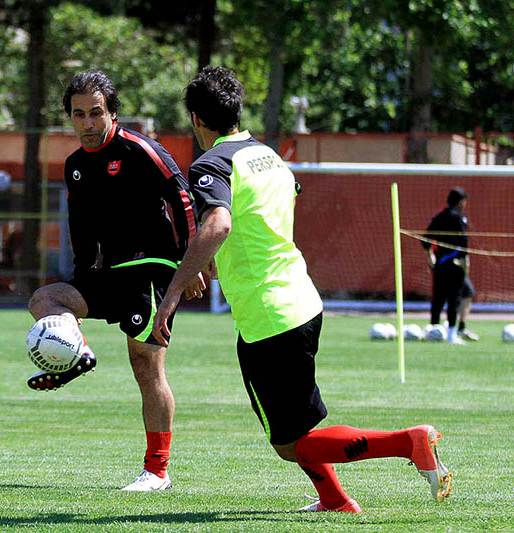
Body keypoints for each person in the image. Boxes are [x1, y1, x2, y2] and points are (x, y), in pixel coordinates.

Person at [152, 66, 453, 512]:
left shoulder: (212, 164)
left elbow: (219, 223)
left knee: (294, 445)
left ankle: (409, 442)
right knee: (297, 431)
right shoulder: (269, 157)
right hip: (301, 300)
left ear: (196, 118)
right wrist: (218, 258)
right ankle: (334, 500)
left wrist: (174, 291)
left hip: (268, 315)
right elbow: (268, 210)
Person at [26, 70, 202, 491]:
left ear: (112, 112)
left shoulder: (140, 149)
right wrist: (80, 288)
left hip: (154, 268)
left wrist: (191, 263)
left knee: (146, 365)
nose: (87, 123)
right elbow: (81, 230)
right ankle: (78, 353)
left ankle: (157, 472)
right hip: (110, 273)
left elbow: (182, 198)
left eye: (95, 113)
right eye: (78, 114)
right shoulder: (75, 166)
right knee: (45, 301)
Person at [423, 187, 478, 343]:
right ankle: (452, 333)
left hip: (440, 263)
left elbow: (425, 239)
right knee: (454, 298)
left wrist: (430, 257)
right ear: (461, 202)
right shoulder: (459, 218)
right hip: (454, 264)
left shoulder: (439, 216)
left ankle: (433, 329)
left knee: (438, 298)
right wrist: (465, 262)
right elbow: (464, 243)